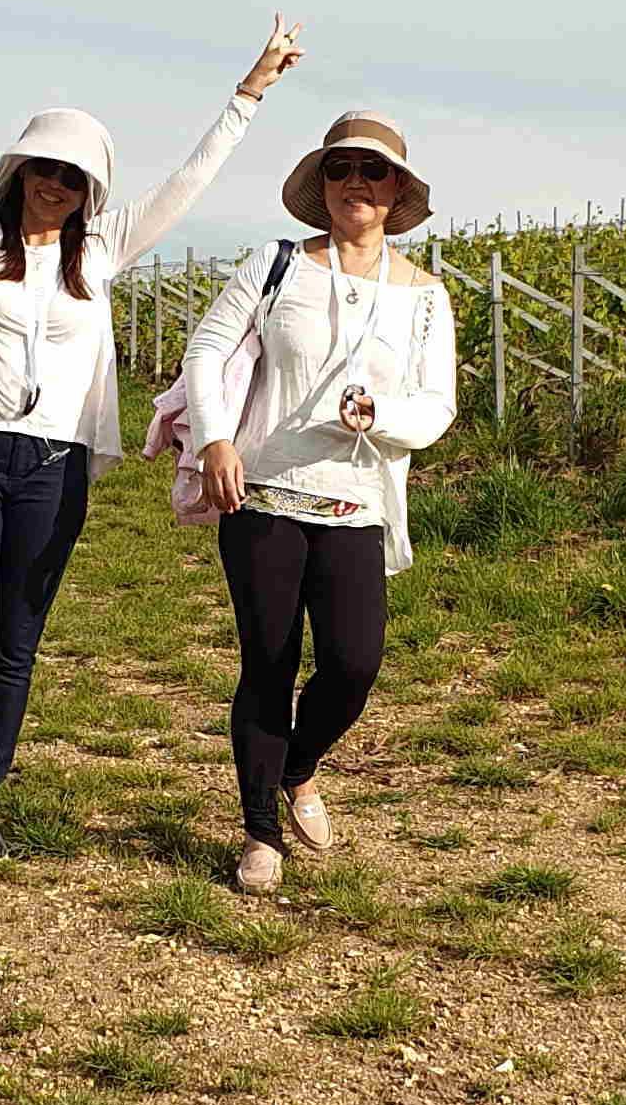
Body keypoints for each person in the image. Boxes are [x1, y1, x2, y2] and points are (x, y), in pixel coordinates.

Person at [0, 0, 302, 872]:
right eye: (43, 169)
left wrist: (251, 92)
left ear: (90, 189)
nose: (54, 185)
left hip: (55, 469)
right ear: (17, 170)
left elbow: (193, 176)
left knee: (18, 643)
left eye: (73, 176)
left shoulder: (102, 253)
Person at [181, 112, 457, 893]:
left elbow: (438, 405)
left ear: (398, 189)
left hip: (356, 503)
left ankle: (299, 766)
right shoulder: (275, 265)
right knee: (267, 665)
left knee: (353, 664)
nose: (356, 185)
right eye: (340, 170)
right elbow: (207, 349)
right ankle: (259, 834)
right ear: (322, 184)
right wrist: (216, 440)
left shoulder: (427, 297)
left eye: (373, 172)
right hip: (261, 495)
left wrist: (385, 418)